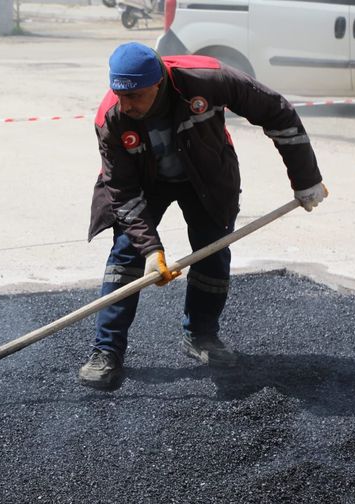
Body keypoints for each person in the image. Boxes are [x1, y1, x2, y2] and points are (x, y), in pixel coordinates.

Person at [79, 42, 327, 389]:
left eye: (135, 96)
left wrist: (306, 179)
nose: (127, 104)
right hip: (144, 182)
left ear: (158, 83)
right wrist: (152, 251)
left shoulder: (207, 80)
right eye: (120, 95)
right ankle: (107, 351)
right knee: (126, 254)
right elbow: (122, 192)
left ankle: (201, 337)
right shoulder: (112, 118)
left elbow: (277, 111)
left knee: (212, 249)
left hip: (207, 175)